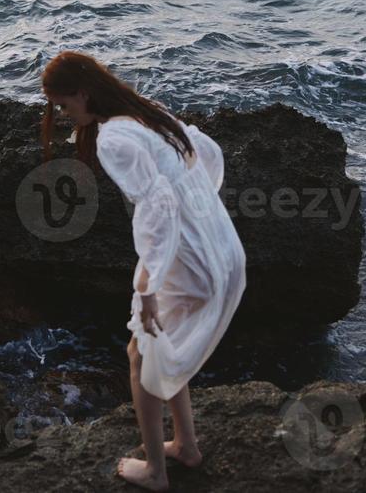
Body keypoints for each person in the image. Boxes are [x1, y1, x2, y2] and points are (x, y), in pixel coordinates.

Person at [41, 51, 247, 491]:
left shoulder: (112, 139)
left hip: (191, 259)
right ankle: (186, 446)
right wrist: (201, 217)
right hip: (220, 246)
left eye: (63, 105)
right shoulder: (146, 112)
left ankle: (156, 471)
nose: (63, 115)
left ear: (81, 93)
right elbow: (203, 154)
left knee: (141, 355)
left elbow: (156, 206)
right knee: (161, 346)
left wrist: (148, 284)